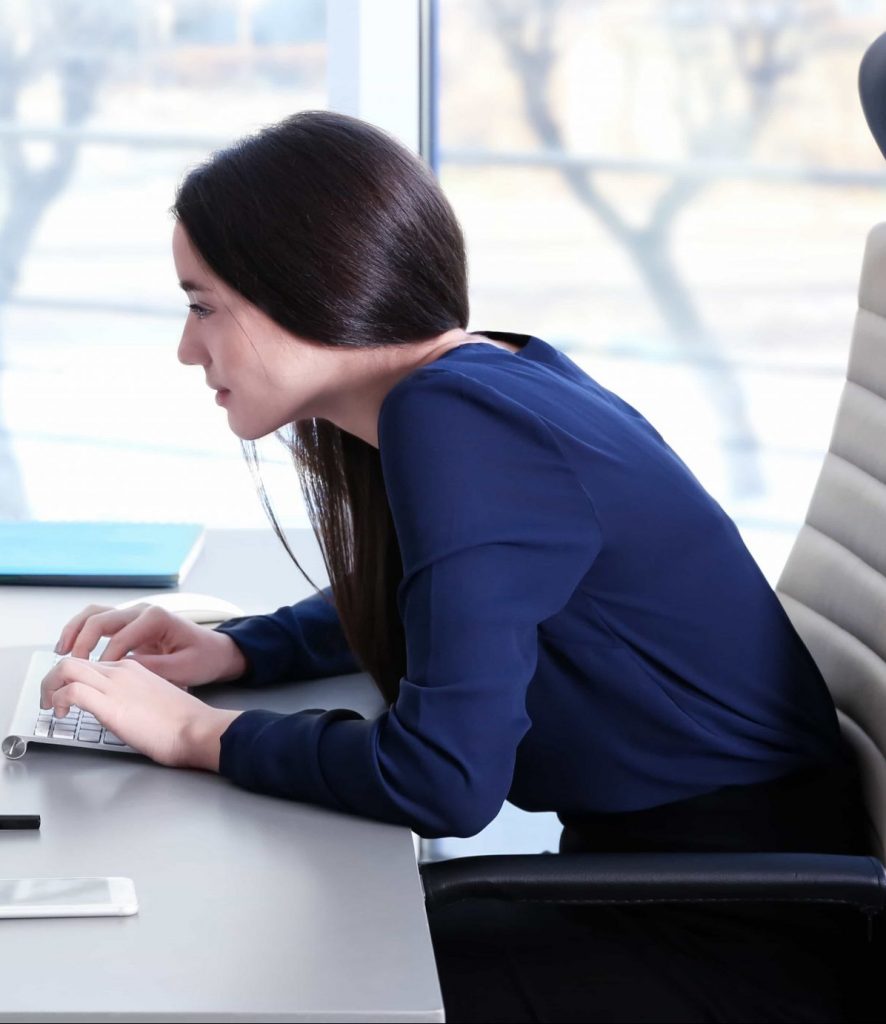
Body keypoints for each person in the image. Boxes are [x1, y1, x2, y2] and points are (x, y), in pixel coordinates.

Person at [40, 109, 873, 1022]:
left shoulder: (459, 421)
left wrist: (199, 735)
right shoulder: (485, 380)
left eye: (203, 306)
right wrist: (244, 653)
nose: (186, 347)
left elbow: (440, 779)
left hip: (730, 938)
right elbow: (462, 588)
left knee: (233, 978)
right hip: (689, 885)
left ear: (307, 284)